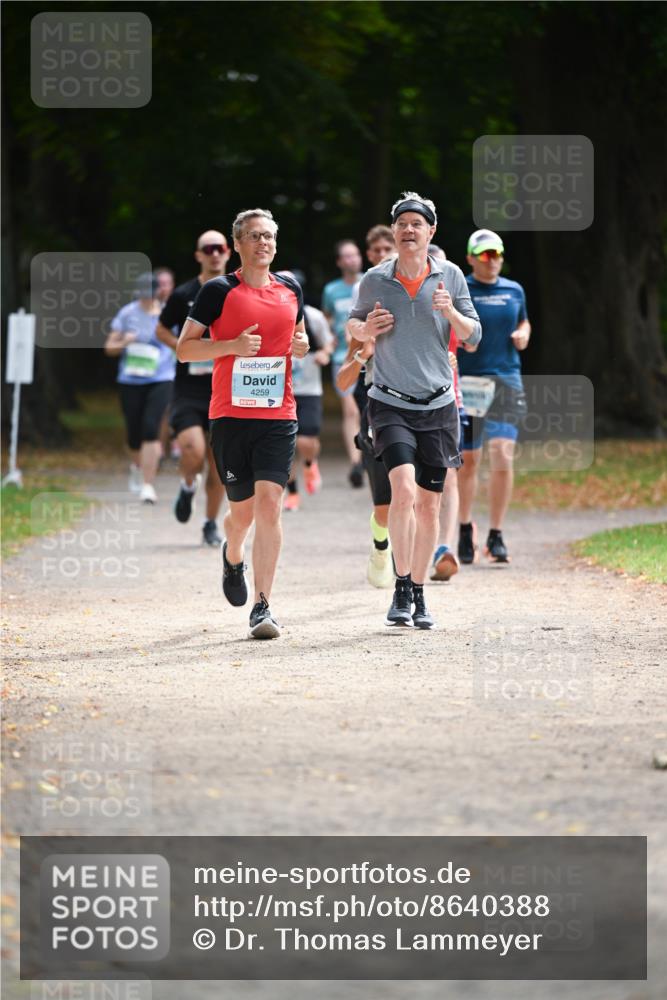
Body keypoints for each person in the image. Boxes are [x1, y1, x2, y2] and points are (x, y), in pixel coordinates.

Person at [348, 192, 481, 629]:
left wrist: (451, 315)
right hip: (389, 401)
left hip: (439, 405)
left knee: (430, 504)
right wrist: (364, 329)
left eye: (416, 224)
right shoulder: (374, 279)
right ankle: (401, 585)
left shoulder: (452, 276)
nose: (408, 229)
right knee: (402, 491)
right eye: (401, 223)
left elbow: (474, 335)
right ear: (394, 231)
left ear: (431, 232)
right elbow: (353, 323)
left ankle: (419, 592)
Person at [176, 208, 309, 639]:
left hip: (279, 414)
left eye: (269, 235)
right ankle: (233, 557)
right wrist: (232, 345)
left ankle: (263, 605)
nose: (263, 243)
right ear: (238, 244)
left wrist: (301, 345)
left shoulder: (291, 289)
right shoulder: (218, 291)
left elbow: (299, 340)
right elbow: (184, 350)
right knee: (242, 514)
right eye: (254, 236)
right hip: (231, 415)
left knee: (271, 503)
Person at [457, 229, 531, 564]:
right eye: (485, 255)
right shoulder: (463, 289)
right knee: (469, 460)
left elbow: (524, 322)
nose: (492, 261)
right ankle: (463, 527)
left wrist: (523, 334)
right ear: (471, 258)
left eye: (497, 254)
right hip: (471, 382)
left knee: (502, 455)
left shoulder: (514, 289)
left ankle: (496, 534)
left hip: (506, 380)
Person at [156, 231, 229, 546]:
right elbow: (161, 327)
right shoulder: (184, 293)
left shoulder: (236, 291)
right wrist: (183, 347)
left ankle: (210, 523)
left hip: (225, 388)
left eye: (220, 248)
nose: (215, 254)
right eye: (208, 249)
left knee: (219, 465)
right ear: (198, 255)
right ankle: (187, 487)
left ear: (229, 252)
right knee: (193, 450)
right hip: (189, 389)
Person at [336, 224, 397, 588]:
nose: (381, 254)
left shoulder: (424, 294)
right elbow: (343, 380)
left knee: (415, 489)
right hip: (373, 399)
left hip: (420, 403)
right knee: (384, 500)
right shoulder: (364, 307)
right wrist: (363, 351)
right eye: (374, 249)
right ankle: (380, 543)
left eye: (385, 247)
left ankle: (408, 575)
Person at [104, 272, 175, 504]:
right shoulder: (127, 313)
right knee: (134, 433)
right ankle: (137, 465)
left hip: (161, 377)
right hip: (130, 380)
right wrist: (126, 341)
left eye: (150, 293)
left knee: (150, 427)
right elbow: (109, 347)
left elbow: (180, 343)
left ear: (158, 292)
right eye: (142, 294)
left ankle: (147, 484)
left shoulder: (167, 313)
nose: (146, 298)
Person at [280, 273, 333, 511]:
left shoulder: (313, 316)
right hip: (280, 390)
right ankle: (292, 493)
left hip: (309, 389)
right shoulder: (271, 313)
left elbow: (329, 341)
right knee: (286, 445)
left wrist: (325, 354)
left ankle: (310, 464)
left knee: (306, 441)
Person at [322, 240, 364, 487]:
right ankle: (356, 463)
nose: (352, 260)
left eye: (355, 255)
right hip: (342, 358)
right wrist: (328, 344)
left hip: (370, 355)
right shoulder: (331, 290)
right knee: (350, 410)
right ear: (339, 262)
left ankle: (371, 454)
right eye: (346, 257)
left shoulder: (371, 281)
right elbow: (326, 322)